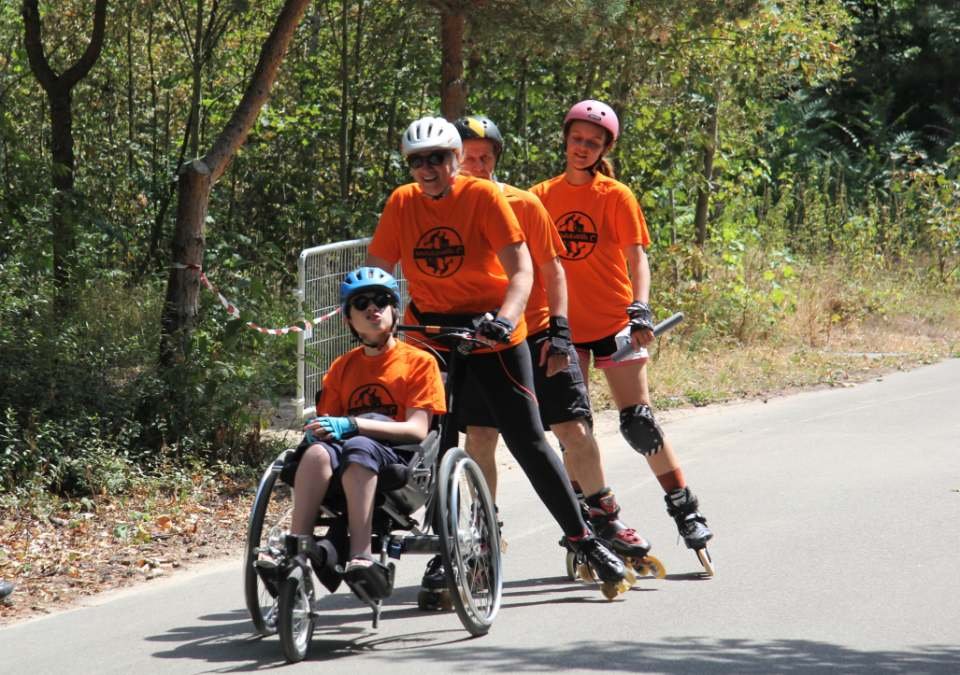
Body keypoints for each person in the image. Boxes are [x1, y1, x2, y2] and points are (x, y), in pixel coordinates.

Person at [365, 115, 628, 606]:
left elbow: (523, 268)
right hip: (434, 331)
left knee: (528, 440)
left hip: (491, 331)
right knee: (441, 444)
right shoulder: (402, 202)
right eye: (417, 161)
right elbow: (377, 271)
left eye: (438, 159)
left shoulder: (485, 198)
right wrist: (373, 314)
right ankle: (455, 546)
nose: (427, 170)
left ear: (455, 161)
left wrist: (506, 318)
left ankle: (584, 539)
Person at [452, 115, 654, 565]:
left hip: (538, 332)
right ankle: (485, 530)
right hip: (482, 339)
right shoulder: (445, 209)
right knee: (481, 435)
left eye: (485, 159)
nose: (476, 166)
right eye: (467, 159)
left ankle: (603, 514)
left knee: (572, 429)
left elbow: (553, 269)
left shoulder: (523, 204)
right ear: (451, 161)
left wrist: (561, 332)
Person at [529, 100, 713, 564]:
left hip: (614, 323)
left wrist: (641, 310)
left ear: (605, 148)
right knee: (574, 430)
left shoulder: (615, 195)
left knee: (640, 423)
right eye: (577, 139)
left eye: (593, 143)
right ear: (565, 139)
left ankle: (684, 508)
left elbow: (637, 258)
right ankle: (589, 519)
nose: (582, 148)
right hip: (564, 328)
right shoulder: (540, 196)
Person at [289, 266, 447, 599]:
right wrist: (318, 434)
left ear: (394, 310)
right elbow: (327, 429)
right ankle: (297, 552)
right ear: (348, 319)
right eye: (361, 304)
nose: (372, 308)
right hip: (347, 457)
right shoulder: (342, 367)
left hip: (400, 456)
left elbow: (418, 430)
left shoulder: (420, 362)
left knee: (358, 444)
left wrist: (354, 424)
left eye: (381, 301)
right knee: (316, 453)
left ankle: (361, 556)